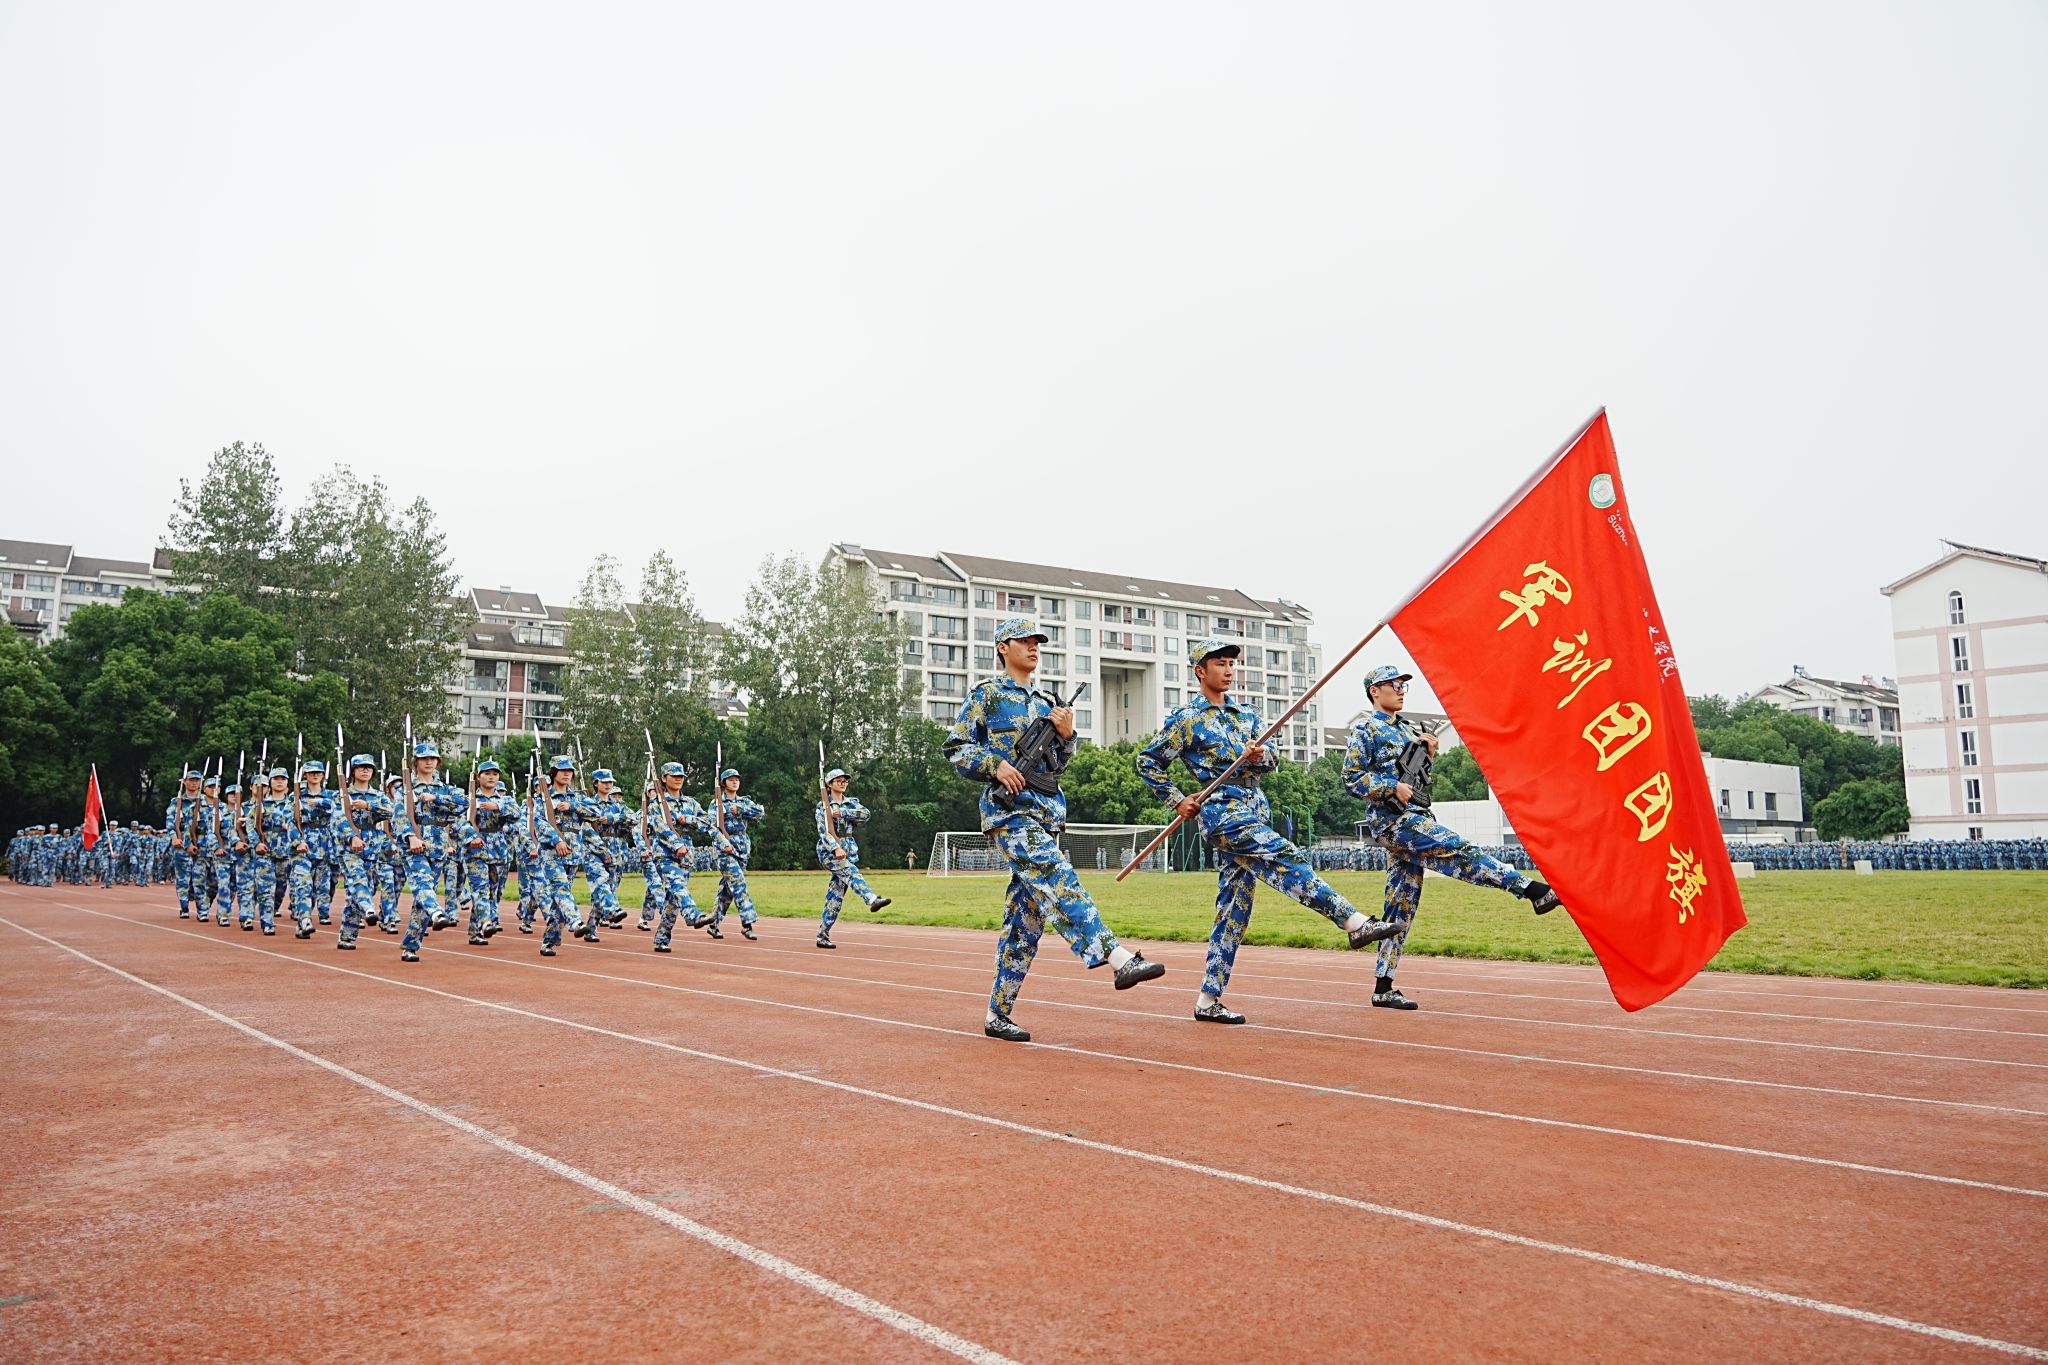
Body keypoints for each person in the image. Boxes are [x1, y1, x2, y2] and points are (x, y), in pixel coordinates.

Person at [1137, 637, 1400, 1024]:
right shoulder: (1186, 719)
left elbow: (1272, 760)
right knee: (1286, 856)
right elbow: (1148, 762)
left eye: (1232, 663)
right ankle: (1353, 922)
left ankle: (1208, 999)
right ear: (1200, 671)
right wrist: (1176, 800)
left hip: (1255, 806)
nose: (1229, 670)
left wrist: (1260, 755)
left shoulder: (1247, 715)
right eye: (1220, 664)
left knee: (1234, 910)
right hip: (1222, 811)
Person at [946, 617, 1166, 1042]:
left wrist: (1067, 736)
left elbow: (1058, 766)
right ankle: (1118, 958)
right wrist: (997, 765)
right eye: (1024, 640)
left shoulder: (1049, 702)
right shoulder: (987, 695)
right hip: (1009, 814)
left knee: (1024, 923)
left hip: (1046, 814)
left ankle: (998, 1014)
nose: (1034, 647)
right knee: (1059, 877)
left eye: (1038, 642)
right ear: (1002, 647)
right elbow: (957, 748)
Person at [1344, 664, 1563, 1010]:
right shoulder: (1365, 729)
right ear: (1375, 691)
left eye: (1403, 685)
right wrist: (1390, 786)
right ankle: (1532, 890)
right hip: (1393, 823)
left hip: (1416, 816)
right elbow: (1351, 778)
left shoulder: (1408, 730)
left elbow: (1418, 783)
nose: (1400, 690)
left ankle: (1383, 987)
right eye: (1393, 684)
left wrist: (1427, 756)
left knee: (1401, 905)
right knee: (1460, 849)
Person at [392, 740, 483, 962]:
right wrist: (411, 837)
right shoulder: (406, 790)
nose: (429, 762)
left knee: (423, 899)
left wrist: (437, 798)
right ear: (415, 762)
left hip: (438, 848)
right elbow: (399, 817)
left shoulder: (445, 789)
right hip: (415, 847)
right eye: (424, 758)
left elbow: (464, 803)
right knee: (422, 885)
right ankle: (437, 913)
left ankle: (411, 945)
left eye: (432, 758)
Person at [814, 767, 891, 947]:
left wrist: (843, 813)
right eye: (838, 780)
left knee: (836, 896)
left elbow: (866, 815)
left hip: (848, 849)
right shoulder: (823, 806)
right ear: (829, 784)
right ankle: (871, 899)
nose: (843, 783)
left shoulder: (851, 804)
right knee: (851, 872)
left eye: (845, 781)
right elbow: (823, 832)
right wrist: (835, 849)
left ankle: (823, 935)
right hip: (830, 852)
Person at [337, 755, 394, 951]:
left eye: (368, 767)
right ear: (353, 771)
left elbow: (393, 812)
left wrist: (369, 806)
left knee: (361, 891)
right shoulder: (343, 795)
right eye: (360, 767)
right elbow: (337, 820)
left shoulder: (378, 796)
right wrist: (351, 837)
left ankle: (347, 936)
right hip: (349, 848)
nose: (365, 770)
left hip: (372, 849)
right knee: (357, 880)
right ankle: (369, 908)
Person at [708, 768, 765, 940]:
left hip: (742, 848)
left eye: (737, 779)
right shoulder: (716, 804)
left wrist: (739, 810)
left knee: (728, 889)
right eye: (731, 779)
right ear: (723, 783)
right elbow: (712, 827)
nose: (735, 782)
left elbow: (760, 813)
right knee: (739, 883)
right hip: (724, 850)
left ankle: (713, 923)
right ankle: (747, 924)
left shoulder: (743, 802)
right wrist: (723, 844)